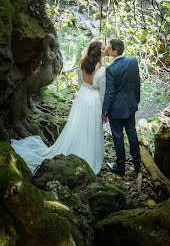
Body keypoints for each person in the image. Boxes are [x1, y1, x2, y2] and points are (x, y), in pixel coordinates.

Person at [11, 40, 107, 174]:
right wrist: (104, 110)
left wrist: (83, 93)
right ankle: (87, 155)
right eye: (103, 48)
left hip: (81, 97)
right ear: (98, 51)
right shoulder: (102, 70)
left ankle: (75, 149)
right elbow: (103, 92)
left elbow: (81, 83)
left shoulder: (82, 63)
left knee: (77, 126)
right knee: (90, 128)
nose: (106, 50)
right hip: (93, 100)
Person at [102, 38, 141, 176]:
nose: (107, 50)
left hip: (116, 110)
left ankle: (121, 167)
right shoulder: (133, 61)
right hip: (130, 106)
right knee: (132, 134)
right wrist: (137, 101)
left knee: (118, 137)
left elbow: (109, 93)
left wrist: (104, 112)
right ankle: (137, 165)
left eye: (109, 48)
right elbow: (137, 82)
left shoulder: (111, 69)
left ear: (114, 52)